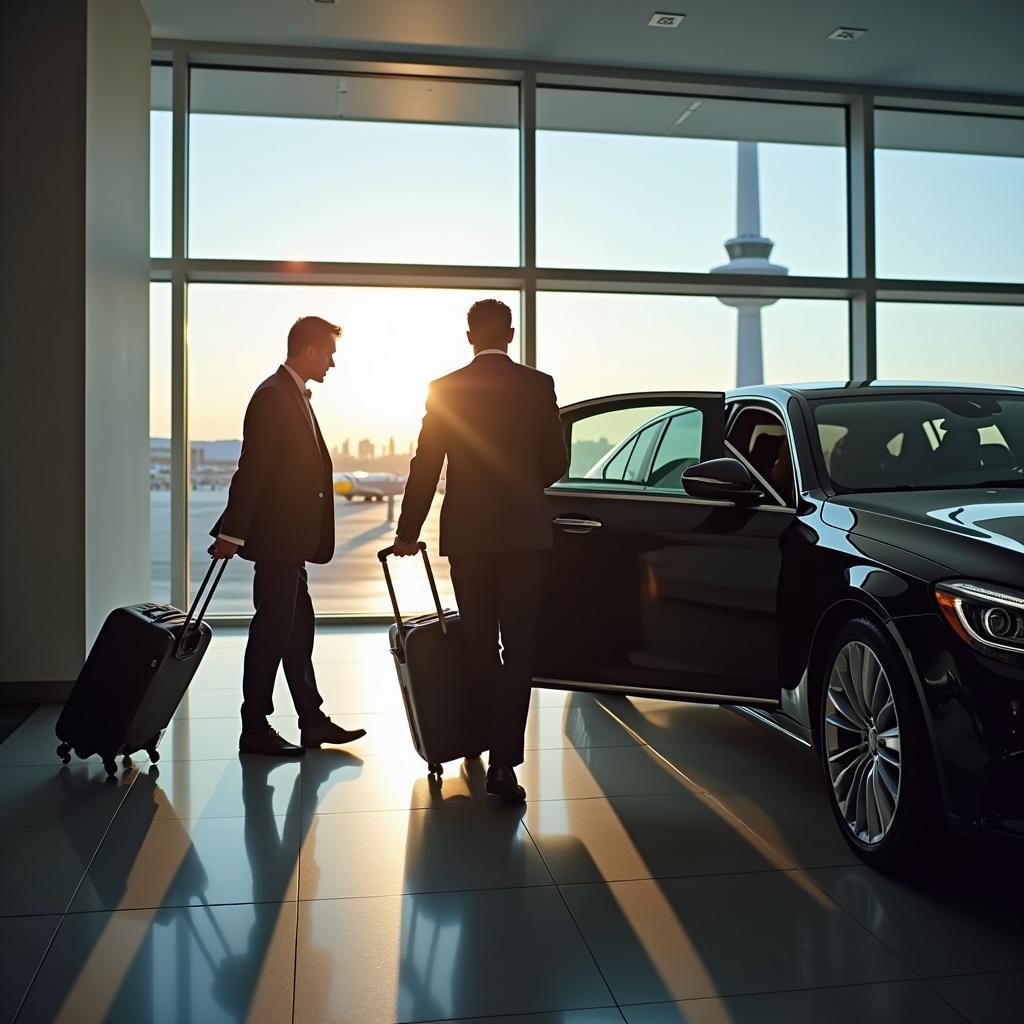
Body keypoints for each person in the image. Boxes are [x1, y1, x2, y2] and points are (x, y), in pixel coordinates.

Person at [392, 299, 568, 803]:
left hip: (468, 536)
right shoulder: (538, 385)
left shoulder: (445, 389)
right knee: (519, 650)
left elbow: (425, 464)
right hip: (524, 535)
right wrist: (521, 490)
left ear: (469, 337)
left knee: (478, 643)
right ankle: (503, 766)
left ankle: (474, 739)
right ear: (510, 334)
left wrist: (408, 532)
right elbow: (556, 460)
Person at [209, 316, 367, 757]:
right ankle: (254, 727)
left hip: (291, 543)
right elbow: (253, 468)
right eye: (330, 353)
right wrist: (233, 533)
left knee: (297, 633)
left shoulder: (288, 394)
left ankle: (311, 720)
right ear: (311, 350)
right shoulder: (273, 396)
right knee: (272, 633)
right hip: (278, 542)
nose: (333, 363)